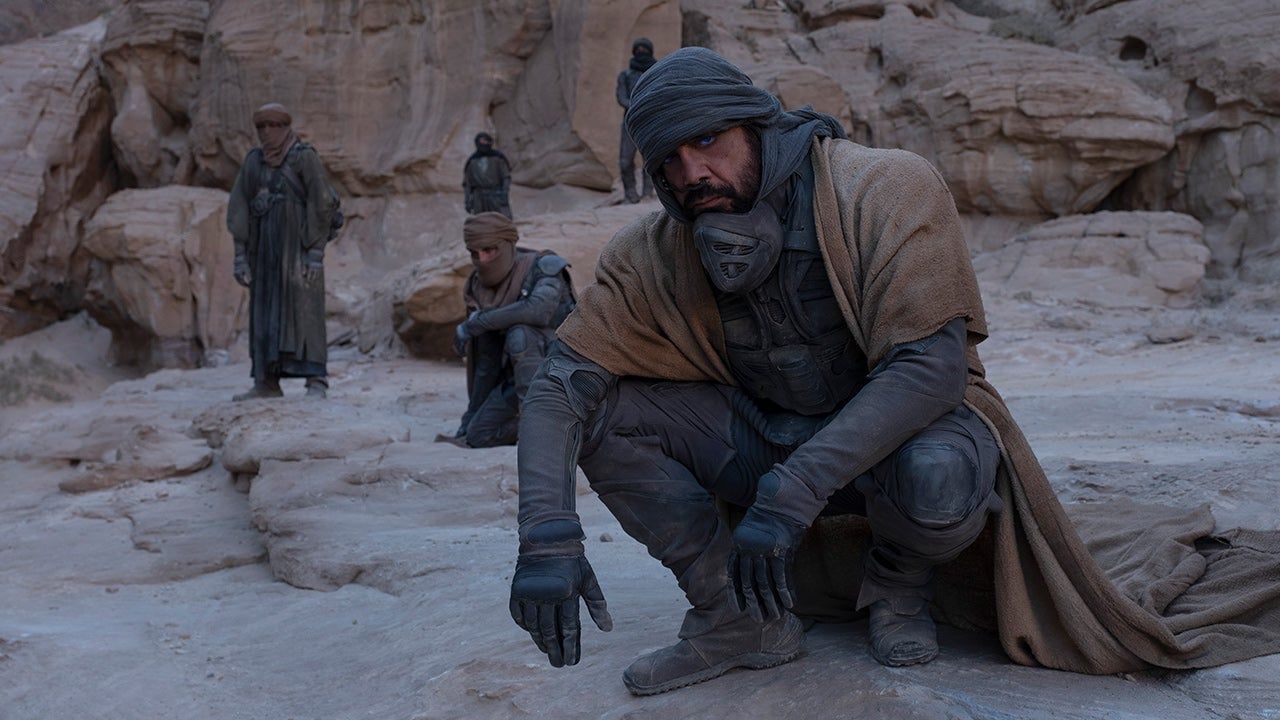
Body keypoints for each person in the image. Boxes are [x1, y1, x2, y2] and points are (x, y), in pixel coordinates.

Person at [505, 48, 1280, 696]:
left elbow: (930, 369)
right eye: (669, 161)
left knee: (941, 470)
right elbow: (560, 385)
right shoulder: (654, 248)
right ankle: (739, 618)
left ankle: (898, 583)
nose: (691, 173)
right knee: (603, 416)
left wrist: (793, 490)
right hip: (761, 437)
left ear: (757, 123)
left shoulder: (881, 186)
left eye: (708, 141)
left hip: (896, 445)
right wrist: (545, 536)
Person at [227, 103, 340, 401]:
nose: (267, 132)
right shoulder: (254, 161)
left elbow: (322, 201)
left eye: (274, 125)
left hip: (299, 249)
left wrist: (315, 252)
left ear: (285, 127)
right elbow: (238, 206)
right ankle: (266, 382)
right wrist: (240, 256)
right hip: (263, 251)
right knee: (264, 313)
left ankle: (316, 380)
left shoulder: (304, 158)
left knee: (305, 311)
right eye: (261, 126)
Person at [446, 212, 575, 448]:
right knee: (478, 435)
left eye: (489, 250)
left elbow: (538, 311)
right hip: (515, 378)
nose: (482, 259)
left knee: (520, 334)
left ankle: (541, 428)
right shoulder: (479, 286)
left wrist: (476, 323)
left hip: (564, 374)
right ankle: (550, 426)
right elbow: (486, 362)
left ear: (507, 243)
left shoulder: (543, 268)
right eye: (475, 253)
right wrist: (470, 417)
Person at [615, 37, 657, 204]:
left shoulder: (655, 73)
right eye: (638, 49)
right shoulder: (625, 75)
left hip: (651, 120)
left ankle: (648, 192)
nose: (641, 52)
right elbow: (621, 96)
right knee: (625, 160)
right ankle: (630, 194)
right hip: (630, 122)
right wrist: (635, 106)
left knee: (651, 158)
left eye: (644, 49)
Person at [463, 133, 512, 218]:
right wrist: (468, 200)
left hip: (496, 194)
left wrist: (504, 192)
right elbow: (467, 184)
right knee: (481, 221)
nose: (483, 144)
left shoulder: (498, 158)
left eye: (485, 141)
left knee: (501, 220)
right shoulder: (472, 161)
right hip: (478, 198)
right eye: (481, 142)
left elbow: (506, 177)